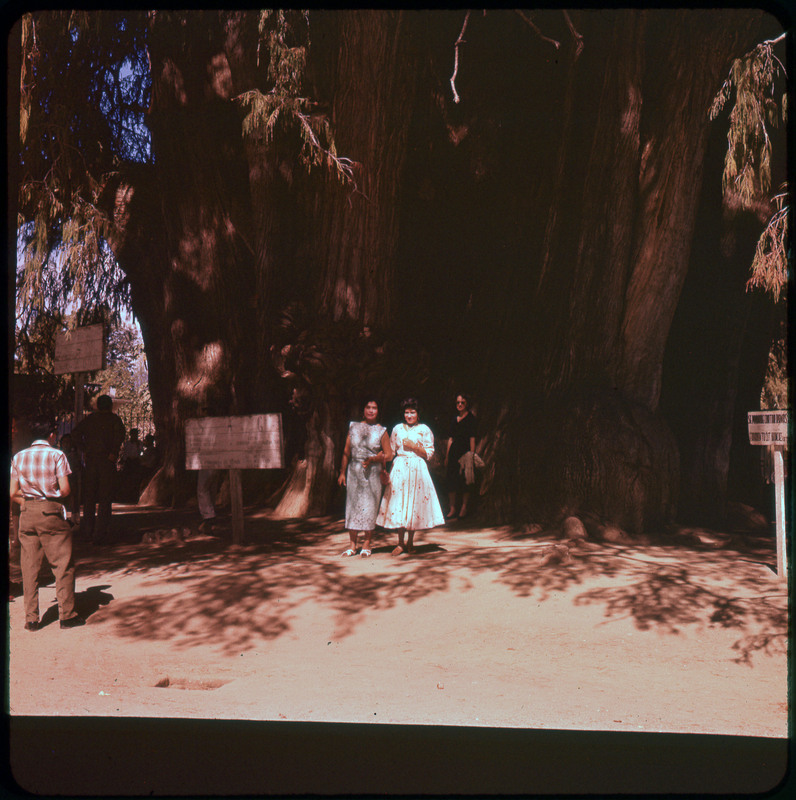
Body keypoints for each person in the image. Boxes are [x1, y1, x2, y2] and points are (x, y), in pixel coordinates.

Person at [10, 418, 85, 630]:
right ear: (51, 434)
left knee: (29, 567)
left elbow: (12, 492)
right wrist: (53, 498)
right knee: (62, 563)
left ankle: (31, 619)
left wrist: (29, 502)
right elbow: (66, 489)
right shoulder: (57, 455)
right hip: (51, 511)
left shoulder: (18, 457)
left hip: (27, 513)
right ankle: (67, 615)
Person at [376, 398, 445, 555]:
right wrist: (382, 463)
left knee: (413, 504)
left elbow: (429, 453)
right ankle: (400, 543)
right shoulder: (397, 428)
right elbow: (391, 451)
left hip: (416, 468)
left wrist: (414, 447)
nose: (409, 415)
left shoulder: (425, 429)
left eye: (412, 412)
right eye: (406, 412)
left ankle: (410, 542)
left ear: (418, 414)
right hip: (400, 468)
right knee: (399, 503)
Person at [338, 398, 392, 557]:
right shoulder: (353, 427)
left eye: (374, 408)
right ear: (363, 409)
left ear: (378, 411)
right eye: (368, 407)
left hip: (372, 472)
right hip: (354, 470)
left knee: (369, 507)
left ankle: (367, 544)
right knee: (352, 506)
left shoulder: (381, 430)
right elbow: (346, 452)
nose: (371, 410)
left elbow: (388, 455)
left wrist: (374, 459)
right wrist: (342, 472)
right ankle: (352, 545)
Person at [72, 394, 126, 544]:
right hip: (107, 461)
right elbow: (120, 436)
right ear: (109, 405)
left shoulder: (90, 419)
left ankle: (88, 531)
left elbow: (75, 433)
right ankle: (100, 532)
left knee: (89, 497)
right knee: (105, 498)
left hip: (91, 461)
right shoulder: (114, 420)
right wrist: (114, 452)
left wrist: (84, 448)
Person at [444, 393, 478, 519]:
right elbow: (450, 438)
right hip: (453, 452)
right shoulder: (454, 419)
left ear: (466, 404)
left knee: (465, 479)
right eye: (458, 402)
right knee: (451, 478)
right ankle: (452, 508)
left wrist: (472, 455)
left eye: (462, 402)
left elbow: (472, 438)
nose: (459, 405)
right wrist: (447, 456)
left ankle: (464, 507)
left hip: (465, 452)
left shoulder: (471, 419)